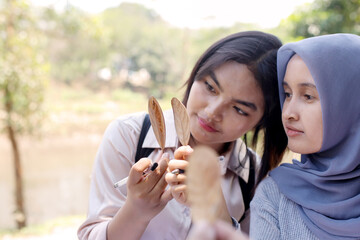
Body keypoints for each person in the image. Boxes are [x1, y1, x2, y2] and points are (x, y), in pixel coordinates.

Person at [77, 31, 287, 240]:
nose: (213, 111)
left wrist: (218, 213)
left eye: (239, 109)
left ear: (261, 121)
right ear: (196, 73)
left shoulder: (254, 177)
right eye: (210, 87)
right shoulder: (129, 135)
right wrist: (137, 210)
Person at [249, 33, 360, 240]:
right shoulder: (275, 197)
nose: (288, 112)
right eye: (288, 94)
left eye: (308, 96)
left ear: (351, 104)